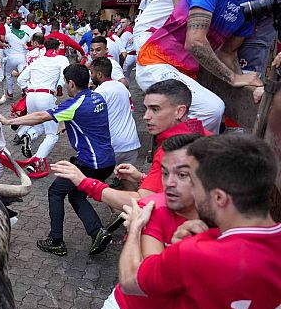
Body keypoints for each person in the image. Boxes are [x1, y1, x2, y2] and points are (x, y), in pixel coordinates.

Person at [118, 134, 281, 309]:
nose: (191, 192)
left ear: (219, 197)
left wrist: (135, 228)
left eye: (194, 183)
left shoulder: (198, 253)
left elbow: (130, 280)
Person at [83, 133, 207, 309]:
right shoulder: (156, 208)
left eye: (182, 175)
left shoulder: (221, 222)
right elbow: (142, 281)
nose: (168, 183)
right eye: (165, 173)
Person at [0, 64, 116, 256]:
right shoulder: (97, 97)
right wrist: (66, 125)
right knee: (76, 195)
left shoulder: (74, 104)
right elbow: (85, 120)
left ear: (71, 83)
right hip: (107, 160)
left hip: (90, 163)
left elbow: (40, 117)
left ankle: (56, 240)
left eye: (65, 82)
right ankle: (98, 232)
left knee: (55, 192)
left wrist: (9, 122)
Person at [136, 0, 268, 133]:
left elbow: (227, 54)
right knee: (212, 109)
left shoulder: (251, 4)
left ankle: (179, 154)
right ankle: (181, 157)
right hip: (155, 62)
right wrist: (234, 78)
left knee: (211, 114)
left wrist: (250, 85)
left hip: (186, 73)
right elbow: (195, 42)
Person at [52, 79, 209, 213]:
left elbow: (143, 202)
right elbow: (180, 189)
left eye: (155, 109)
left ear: (179, 111)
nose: (146, 116)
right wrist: (141, 178)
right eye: (146, 108)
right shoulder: (203, 134)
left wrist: (83, 181)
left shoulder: (172, 151)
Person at [14, 37, 69, 177]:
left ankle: (29, 135)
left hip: (31, 96)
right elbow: (65, 76)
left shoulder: (37, 61)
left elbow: (20, 79)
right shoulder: (61, 59)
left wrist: (27, 89)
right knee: (52, 134)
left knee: (38, 125)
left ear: (44, 47)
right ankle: (35, 162)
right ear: (57, 48)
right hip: (46, 96)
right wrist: (60, 86)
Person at [90, 57, 140, 171]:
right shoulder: (122, 87)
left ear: (99, 74)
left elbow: (93, 117)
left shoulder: (100, 92)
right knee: (127, 180)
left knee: (95, 180)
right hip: (132, 143)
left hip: (114, 145)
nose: (91, 76)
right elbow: (131, 109)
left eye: (92, 73)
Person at [4, 19, 30, 99]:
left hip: (11, 57)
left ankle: (10, 92)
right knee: (23, 75)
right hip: (22, 57)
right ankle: (24, 91)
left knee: (8, 74)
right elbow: (28, 41)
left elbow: (5, 41)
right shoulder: (26, 35)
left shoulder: (9, 35)